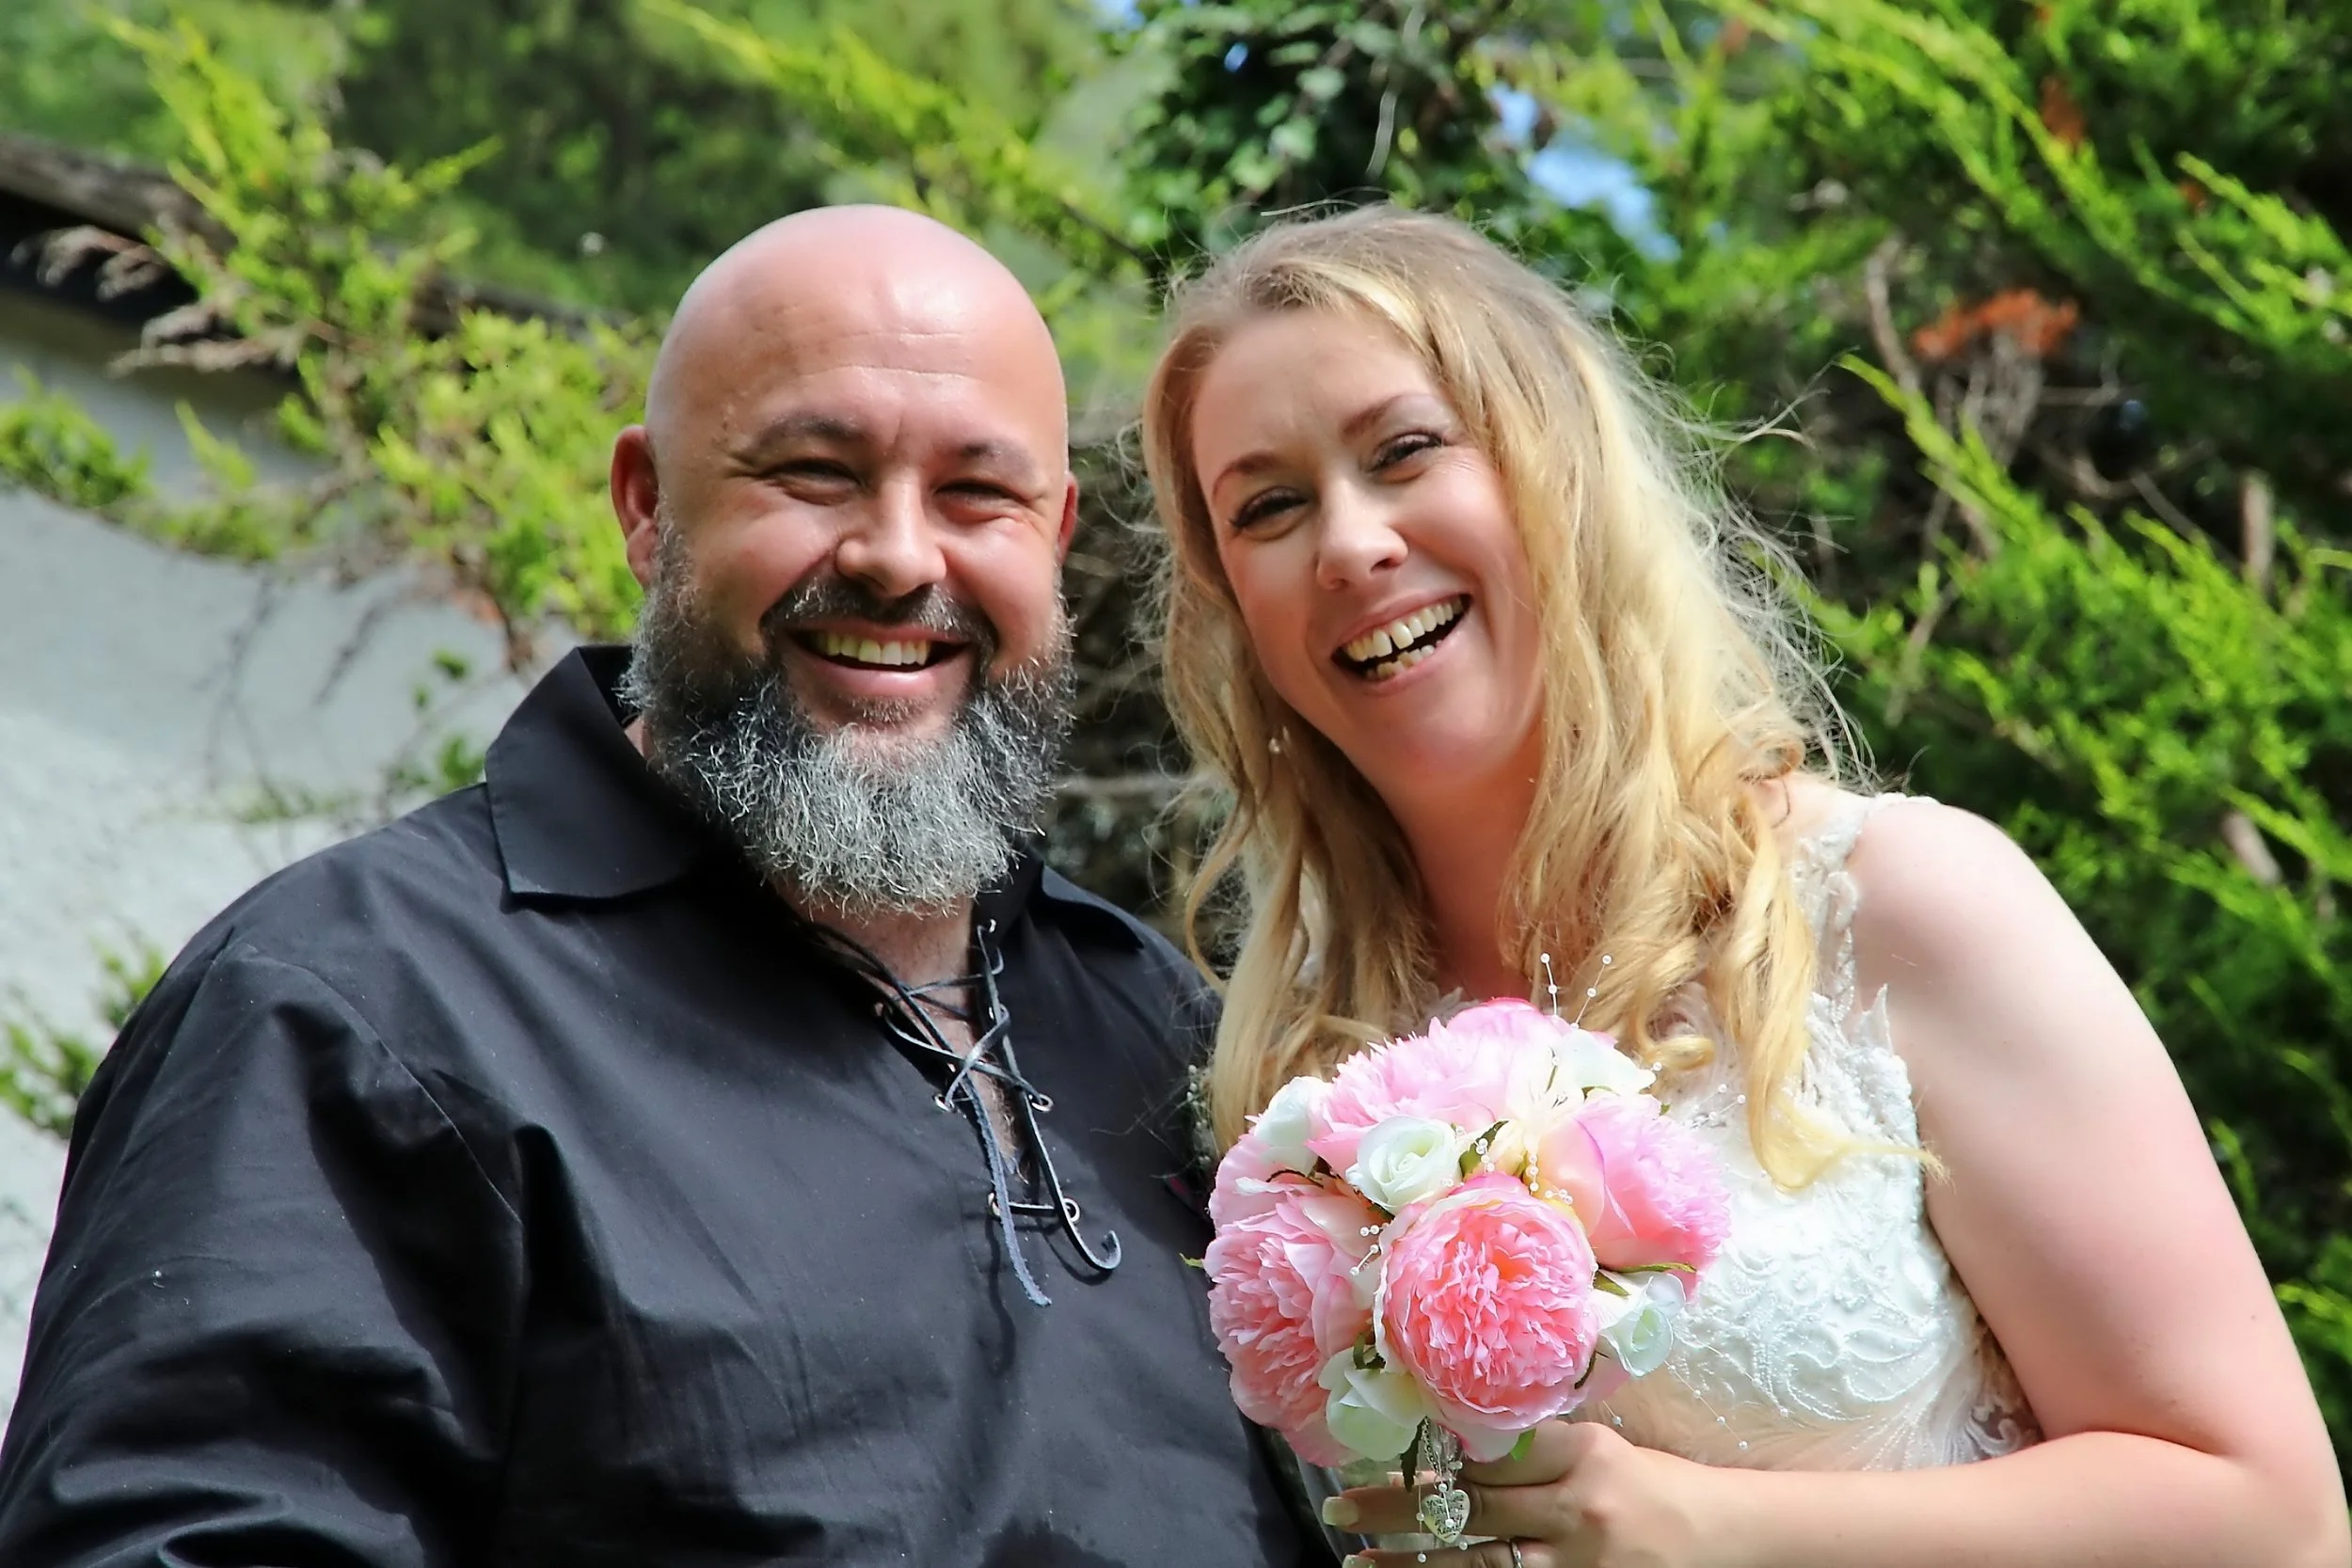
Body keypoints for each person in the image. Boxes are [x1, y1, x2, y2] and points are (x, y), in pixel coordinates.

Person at [0, 206, 1319, 1567]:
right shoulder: (357, 1006)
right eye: (814, 470)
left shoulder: (1153, 1024)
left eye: (977, 494)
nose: (901, 555)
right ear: (646, 505)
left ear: (1054, 535)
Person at [1140, 206, 2349, 1568]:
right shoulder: (1298, 1067)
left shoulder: (1892, 907)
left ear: (1563, 467)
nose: (1351, 543)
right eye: (1270, 506)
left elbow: (2274, 1519)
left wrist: (1716, 1528)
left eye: (1407, 449)